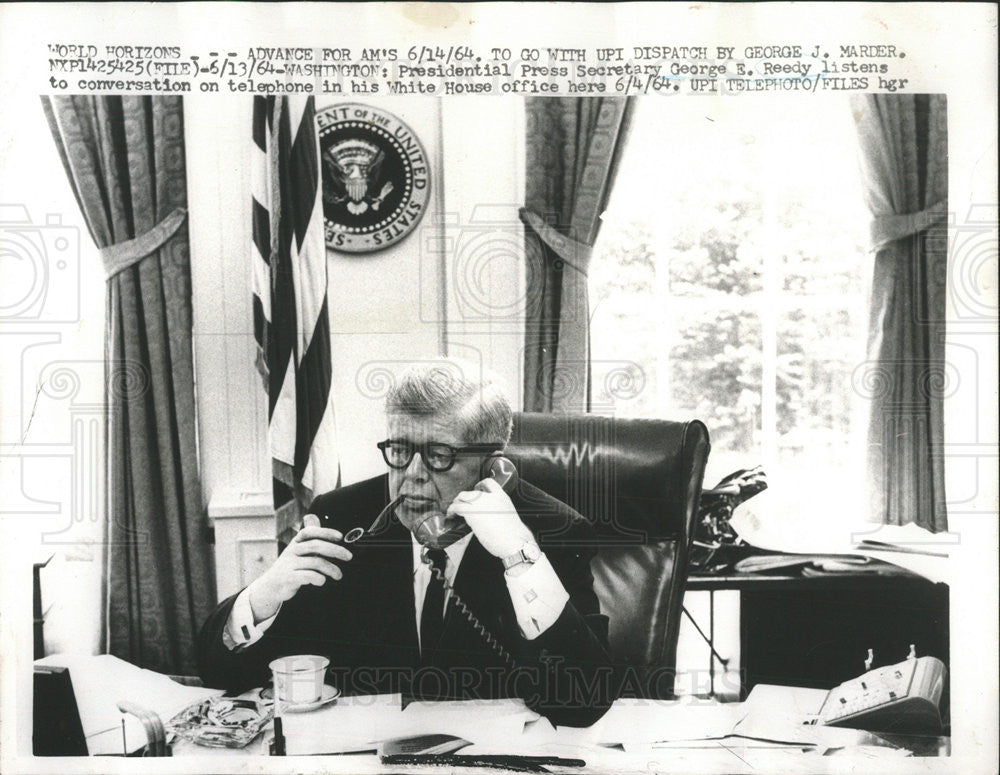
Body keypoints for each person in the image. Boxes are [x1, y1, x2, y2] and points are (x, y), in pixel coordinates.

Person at [197, 359, 615, 727]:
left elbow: (584, 704)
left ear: (493, 466)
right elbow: (220, 675)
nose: (411, 474)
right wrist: (263, 597)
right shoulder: (346, 518)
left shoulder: (550, 530)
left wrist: (519, 558)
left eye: (438, 455)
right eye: (399, 449)